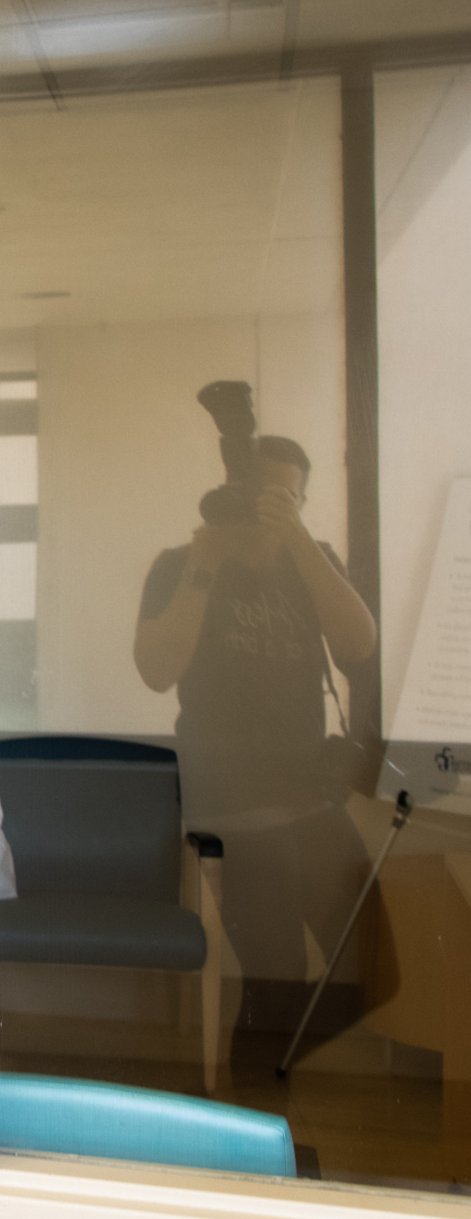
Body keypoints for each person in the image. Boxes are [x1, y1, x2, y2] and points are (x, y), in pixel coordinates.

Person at [132, 435, 375, 1062]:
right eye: (255, 494)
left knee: (375, 962)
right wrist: (205, 565)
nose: (265, 510)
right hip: (231, 806)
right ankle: (261, 1127)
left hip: (311, 801)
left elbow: (358, 646)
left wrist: (295, 540)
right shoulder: (182, 564)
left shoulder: (310, 560)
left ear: (299, 501)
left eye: (283, 499)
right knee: (277, 976)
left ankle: (275, 1089)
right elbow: (157, 669)